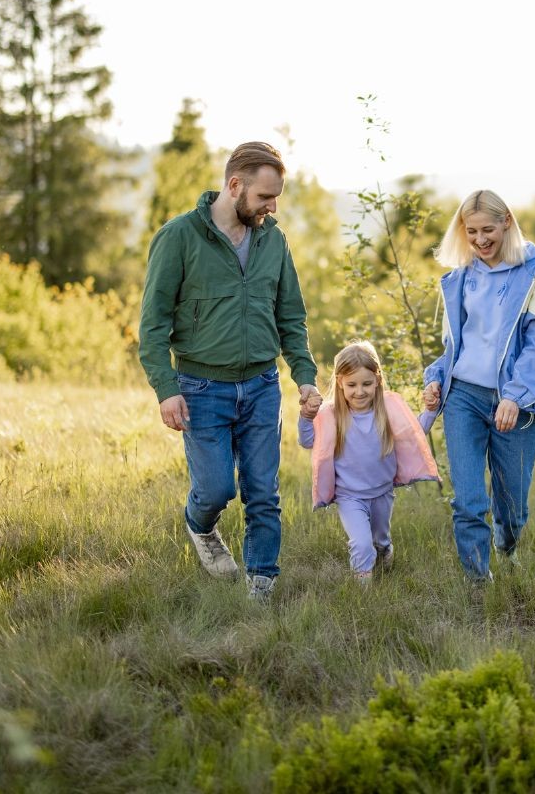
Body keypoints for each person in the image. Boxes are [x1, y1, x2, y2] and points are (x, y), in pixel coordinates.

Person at [138, 141, 322, 601]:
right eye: (264, 197)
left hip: (261, 386)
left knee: (263, 492)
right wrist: (166, 388)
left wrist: (304, 376)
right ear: (234, 185)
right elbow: (154, 324)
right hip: (201, 388)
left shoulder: (273, 240)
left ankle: (261, 585)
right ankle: (200, 526)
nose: (271, 207)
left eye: (276, 196)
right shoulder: (178, 238)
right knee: (217, 488)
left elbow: (291, 318)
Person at [423, 190, 535, 582]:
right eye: (471, 232)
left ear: (507, 222)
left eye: (488, 229)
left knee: (512, 505)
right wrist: (436, 377)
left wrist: (515, 396)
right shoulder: (462, 277)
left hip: (514, 401)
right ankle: (477, 583)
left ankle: (507, 544)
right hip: (464, 398)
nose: (480, 239)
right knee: (469, 501)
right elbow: (457, 347)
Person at [298, 341, 439, 584]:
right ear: (340, 382)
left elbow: (414, 431)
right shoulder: (331, 415)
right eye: (352, 384)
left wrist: (430, 410)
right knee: (361, 544)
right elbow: (308, 440)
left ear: (377, 381)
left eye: (366, 384)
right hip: (349, 495)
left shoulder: (386, 410)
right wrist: (306, 417)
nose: (359, 391)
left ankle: (384, 553)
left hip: (382, 492)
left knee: (379, 541)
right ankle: (363, 592)